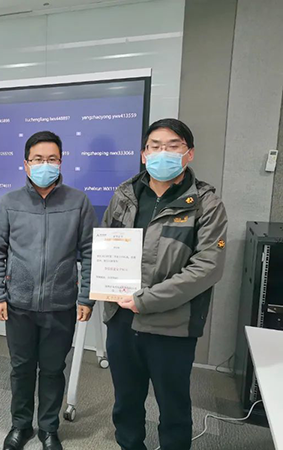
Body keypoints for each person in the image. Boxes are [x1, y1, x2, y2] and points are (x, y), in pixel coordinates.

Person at [102, 118, 228, 450]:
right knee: (126, 401)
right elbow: (106, 246)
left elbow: (207, 268)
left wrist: (146, 300)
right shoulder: (125, 195)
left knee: (173, 408)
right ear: (144, 154)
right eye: (155, 146)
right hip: (121, 319)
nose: (163, 153)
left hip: (172, 325)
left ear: (189, 153)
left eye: (173, 146)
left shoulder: (205, 203)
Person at [0, 131, 96, 450]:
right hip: (18, 304)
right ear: (26, 164)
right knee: (21, 369)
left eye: (51, 159)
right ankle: (20, 425)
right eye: (38, 159)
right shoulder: (10, 203)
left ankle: (48, 428)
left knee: (52, 369)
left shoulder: (78, 202)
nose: (44, 164)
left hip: (61, 305)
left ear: (60, 162)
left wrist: (86, 297)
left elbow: (90, 252)